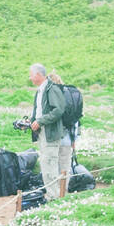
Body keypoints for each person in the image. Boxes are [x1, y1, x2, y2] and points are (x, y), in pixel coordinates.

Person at [29, 63, 71, 201]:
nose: (30, 78)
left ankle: (54, 197)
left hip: (51, 134)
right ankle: (52, 194)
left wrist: (40, 121)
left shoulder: (51, 89)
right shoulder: (40, 90)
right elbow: (40, 111)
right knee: (45, 165)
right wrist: (31, 123)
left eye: (31, 75)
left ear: (38, 75)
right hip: (42, 134)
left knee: (50, 165)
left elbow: (58, 110)